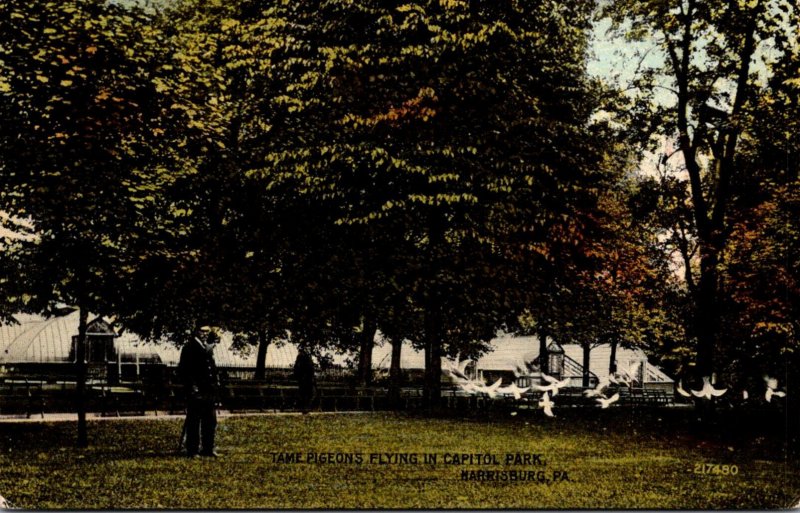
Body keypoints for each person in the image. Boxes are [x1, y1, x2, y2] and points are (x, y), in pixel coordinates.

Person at [178, 326, 220, 458]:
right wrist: (192, 387)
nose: (205, 334)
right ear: (196, 331)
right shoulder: (189, 347)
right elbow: (186, 370)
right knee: (194, 421)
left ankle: (208, 448)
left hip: (208, 391)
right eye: (202, 331)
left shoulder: (207, 347)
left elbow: (211, 368)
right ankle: (192, 450)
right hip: (196, 391)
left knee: (210, 420)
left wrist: (214, 384)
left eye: (207, 331)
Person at [293, 346, 316, 413]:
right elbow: (310, 369)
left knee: (305, 394)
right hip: (306, 379)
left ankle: (305, 408)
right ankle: (306, 408)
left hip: (304, 379)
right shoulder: (305, 358)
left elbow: (296, 368)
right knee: (308, 394)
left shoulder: (301, 357)